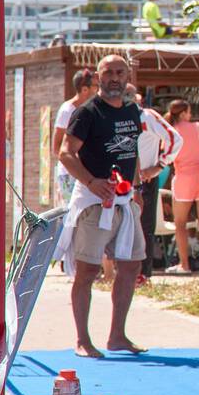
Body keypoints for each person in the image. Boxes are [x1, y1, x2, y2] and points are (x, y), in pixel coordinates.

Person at [54, 55, 148, 356]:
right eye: (108, 73)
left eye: (120, 72)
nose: (115, 78)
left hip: (125, 201)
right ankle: (82, 339)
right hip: (95, 203)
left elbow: (133, 152)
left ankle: (117, 335)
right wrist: (92, 181)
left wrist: (137, 188)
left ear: (128, 75)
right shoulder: (87, 112)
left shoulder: (134, 110)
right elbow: (65, 153)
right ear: (98, 76)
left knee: (131, 266)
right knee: (87, 271)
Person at [127, 83, 182, 285]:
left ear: (137, 98)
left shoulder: (147, 116)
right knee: (119, 226)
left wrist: (159, 165)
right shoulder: (109, 116)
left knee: (143, 227)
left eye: (128, 95)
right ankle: (120, 272)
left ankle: (143, 273)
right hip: (117, 180)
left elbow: (175, 139)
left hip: (144, 178)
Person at [164, 99, 199, 274]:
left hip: (183, 178)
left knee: (180, 224)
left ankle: (184, 264)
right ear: (184, 113)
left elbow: (167, 156)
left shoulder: (172, 132)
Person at [52, 69, 98, 206]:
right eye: (95, 86)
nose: (98, 90)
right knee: (71, 213)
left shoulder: (91, 110)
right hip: (70, 173)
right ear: (85, 89)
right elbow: (57, 146)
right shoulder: (67, 110)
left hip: (87, 173)